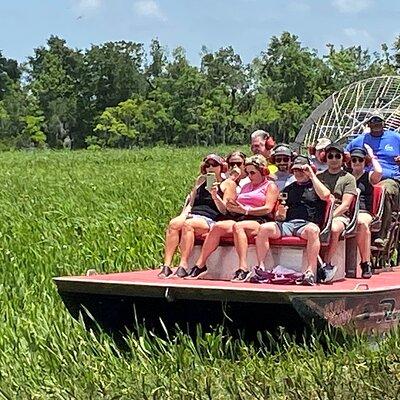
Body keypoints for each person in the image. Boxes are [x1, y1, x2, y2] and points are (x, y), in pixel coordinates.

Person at [187, 155, 279, 281]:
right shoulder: (246, 186)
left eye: (253, 173)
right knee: (218, 226)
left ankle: (243, 268)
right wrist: (233, 207)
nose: (250, 176)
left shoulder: (270, 186)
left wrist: (246, 210)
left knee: (238, 226)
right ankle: (200, 264)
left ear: (263, 172)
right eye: (247, 173)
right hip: (240, 216)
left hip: (258, 219)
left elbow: (268, 208)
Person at [255, 155, 330, 285]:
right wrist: (280, 214)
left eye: (301, 170)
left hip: (307, 225)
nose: (298, 173)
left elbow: (326, 195)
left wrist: (311, 175)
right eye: (295, 170)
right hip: (288, 224)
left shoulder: (317, 186)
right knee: (264, 228)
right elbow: (279, 217)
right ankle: (261, 268)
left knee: (313, 231)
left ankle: (311, 271)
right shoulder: (288, 189)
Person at [158, 154, 236, 278]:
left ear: (221, 167)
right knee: (174, 223)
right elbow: (192, 202)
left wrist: (215, 196)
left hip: (210, 218)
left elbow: (225, 211)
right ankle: (166, 266)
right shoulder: (201, 180)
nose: (210, 167)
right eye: (207, 165)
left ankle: (183, 265)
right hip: (193, 214)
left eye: (214, 165)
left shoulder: (227, 184)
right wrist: (184, 214)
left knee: (188, 225)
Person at [346, 110, 400, 247]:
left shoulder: (395, 137)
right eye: (373, 121)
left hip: (389, 178)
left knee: (383, 190)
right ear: (368, 124)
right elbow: (345, 153)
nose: (376, 124)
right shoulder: (361, 140)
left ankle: (382, 235)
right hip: (366, 176)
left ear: (384, 123)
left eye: (378, 121)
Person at [317, 143, 357, 282]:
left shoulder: (348, 178)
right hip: (320, 212)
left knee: (333, 228)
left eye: (337, 156)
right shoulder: (319, 177)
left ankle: (326, 264)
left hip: (340, 215)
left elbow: (346, 205)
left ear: (342, 158)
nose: (334, 159)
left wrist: (330, 217)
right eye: (330, 156)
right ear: (325, 158)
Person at [349, 145, 382, 278]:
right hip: (347, 211)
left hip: (363, 211)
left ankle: (365, 262)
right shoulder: (346, 177)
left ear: (365, 162)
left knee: (362, 223)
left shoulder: (368, 176)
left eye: (360, 160)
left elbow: (379, 171)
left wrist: (371, 154)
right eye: (354, 159)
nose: (357, 162)